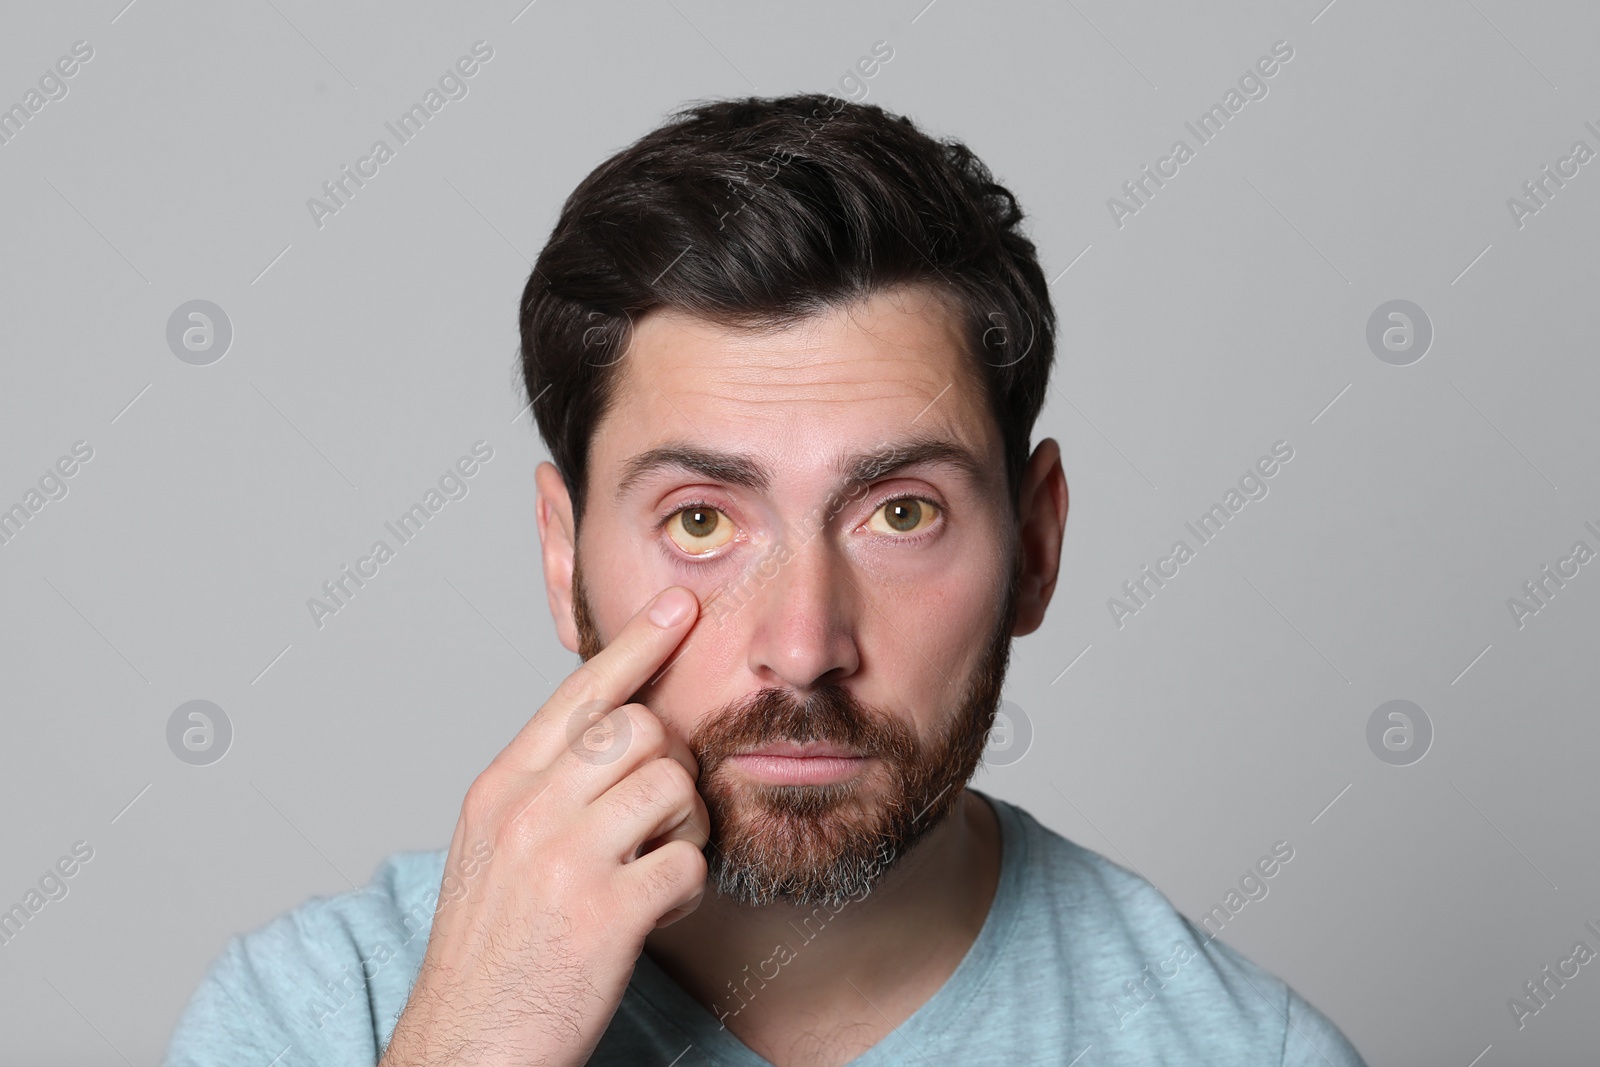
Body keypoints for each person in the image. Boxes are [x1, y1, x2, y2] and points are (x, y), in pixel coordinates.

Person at [164, 93, 1367, 1066]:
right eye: (699, 519)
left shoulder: (1240, 1048)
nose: (802, 642)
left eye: (901, 512)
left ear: (1036, 545)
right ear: (559, 552)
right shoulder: (321, 1013)